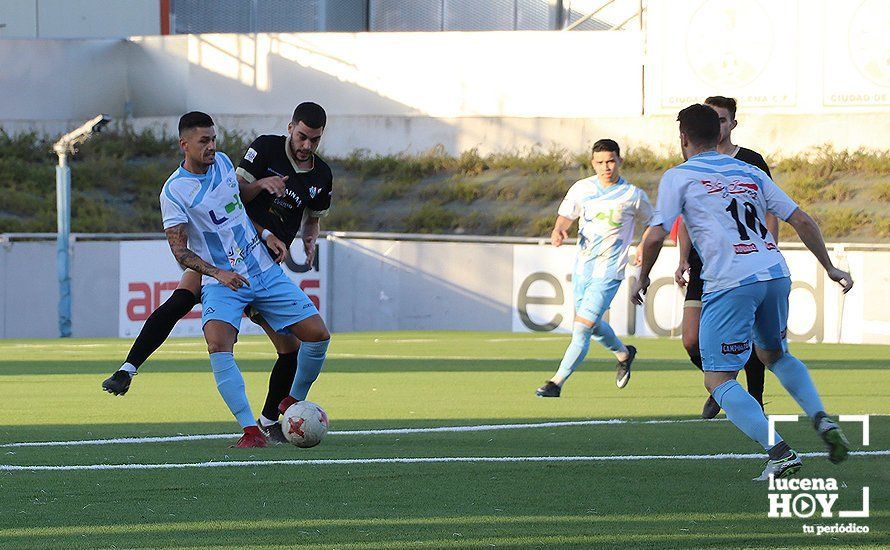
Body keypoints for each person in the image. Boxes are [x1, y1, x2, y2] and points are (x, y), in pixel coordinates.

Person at [631, 104, 852, 480]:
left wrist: (643, 276)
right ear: (719, 134)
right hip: (774, 273)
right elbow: (800, 218)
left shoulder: (679, 176)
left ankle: (780, 453)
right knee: (774, 354)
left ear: (682, 137)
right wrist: (829, 267)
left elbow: (655, 233)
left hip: (731, 281)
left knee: (718, 380)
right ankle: (821, 419)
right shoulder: (748, 170)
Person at [102, 103, 333, 444]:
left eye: (213, 139)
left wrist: (266, 234)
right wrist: (217, 273)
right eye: (203, 141)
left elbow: (238, 207)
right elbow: (179, 250)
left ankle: (286, 404)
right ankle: (250, 429)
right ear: (184, 145)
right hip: (220, 277)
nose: (211, 146)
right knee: (207, 331)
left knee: (308, 339)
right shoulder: (175, 191)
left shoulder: (224, 162)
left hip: (260, 266)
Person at [674, 96, 777, 419]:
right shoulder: (694, 165)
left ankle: (754, 397)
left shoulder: (750, 161)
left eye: (722, 119)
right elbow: (690, 216)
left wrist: (768, 250)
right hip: (705, 265)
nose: (717, 125)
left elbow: (770, 209)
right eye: (711, 119)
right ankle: (722, 386)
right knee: (691, 339)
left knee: (746, 336)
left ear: (732, 123)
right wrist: (682, 258)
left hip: (745, 262)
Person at [536, 139, 652, 398]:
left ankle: (556, 383)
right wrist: (559, 229)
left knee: (582, 328)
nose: (606, 167)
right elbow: (566, 216)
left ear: (620, 161)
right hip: (583, 269)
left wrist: (644, 246)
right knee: (592, 324)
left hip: (610, 271)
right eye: (600, 162)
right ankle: (623, 353)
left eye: (610, 161)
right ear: (592, 164)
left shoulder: (633, 195)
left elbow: (653, 224)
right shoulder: (582, 188)